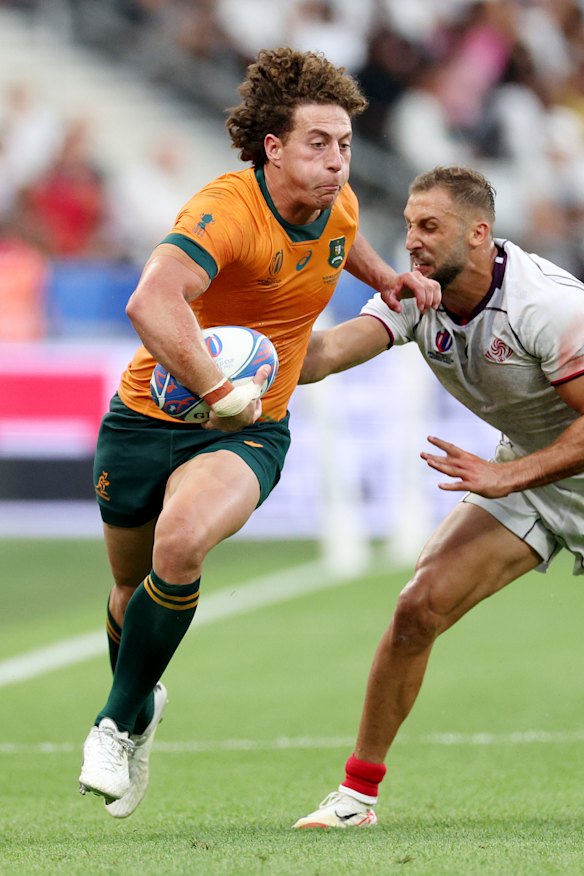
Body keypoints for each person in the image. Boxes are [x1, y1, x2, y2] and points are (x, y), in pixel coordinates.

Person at [77, 46, 440, 819]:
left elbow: (347, 243)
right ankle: (140, 709)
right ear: (272, 147)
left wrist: (388, 282)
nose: (337, 161)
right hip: (149, 418)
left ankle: (112, 725)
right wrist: (217, 389)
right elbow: (151, 301)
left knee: (181, 543)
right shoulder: (223, 210)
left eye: (344, 144)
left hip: (249, 432)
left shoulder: (336, 203)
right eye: (318, 143)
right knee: (127, 588)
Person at [292, 164, 584, 829]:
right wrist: (243, 346)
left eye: (431, 227)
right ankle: (357, 798)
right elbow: (327, 355)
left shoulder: (546, 305)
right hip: (531, 475)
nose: (414, 241)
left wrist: (507, 476)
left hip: (533, 468)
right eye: (409, 227)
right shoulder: (413, 297)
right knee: (418, 607)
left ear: (479, 234)